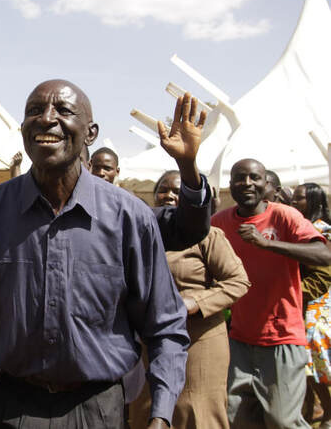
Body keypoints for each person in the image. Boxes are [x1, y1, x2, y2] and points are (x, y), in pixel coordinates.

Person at [0, 87, 210, 429]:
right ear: (23, 129)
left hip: (99, 411)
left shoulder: (129, 217)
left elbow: (165, 324)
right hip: (12, 408)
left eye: (63, 110)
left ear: (90, 133)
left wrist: (161, 416)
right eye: (35, 110)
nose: (47, 118)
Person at [212, 159, 331, 428]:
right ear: (231, 185)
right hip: (239, 338)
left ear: (266, 183)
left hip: (282, 336)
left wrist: (266, 244)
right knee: (237, 417)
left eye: (254, 178)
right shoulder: (219, 222)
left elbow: (324, 254)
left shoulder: (285, 216)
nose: (247, 183)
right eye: (240, 178)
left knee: (282, 420)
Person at [129, 170, 250, 429]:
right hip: (149, 341)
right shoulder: (138, 234)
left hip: (198, 340)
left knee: (197, 411)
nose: (169, 195)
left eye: (177, 191)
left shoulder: (209, 236)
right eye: (163, 190)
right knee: (148, 410)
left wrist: (193, 303)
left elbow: (238, 281)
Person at [292, 183, 331, 428]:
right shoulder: (301, 226)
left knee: (315, 357)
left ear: (313, 200)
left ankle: (327, 411)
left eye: (299, 199)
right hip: (305, 303)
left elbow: (323, 273)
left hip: (318, 304)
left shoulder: (320, 230)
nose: (294, 203)